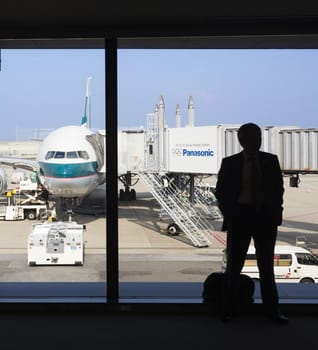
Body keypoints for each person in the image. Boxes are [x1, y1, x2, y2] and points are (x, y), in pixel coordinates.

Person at [215, 123, 288, 324]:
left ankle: (272, 310)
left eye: (258, 137)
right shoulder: (229, 163)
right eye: (252, 138)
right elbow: (220, 192)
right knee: (234, 267)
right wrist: (231, 215)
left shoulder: (270, 161)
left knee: (267, 268)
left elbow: (278, 190)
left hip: (265, 219)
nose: (257, 141)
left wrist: (275, 213)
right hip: (240, 218)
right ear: (242, 141)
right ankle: (228, 309)